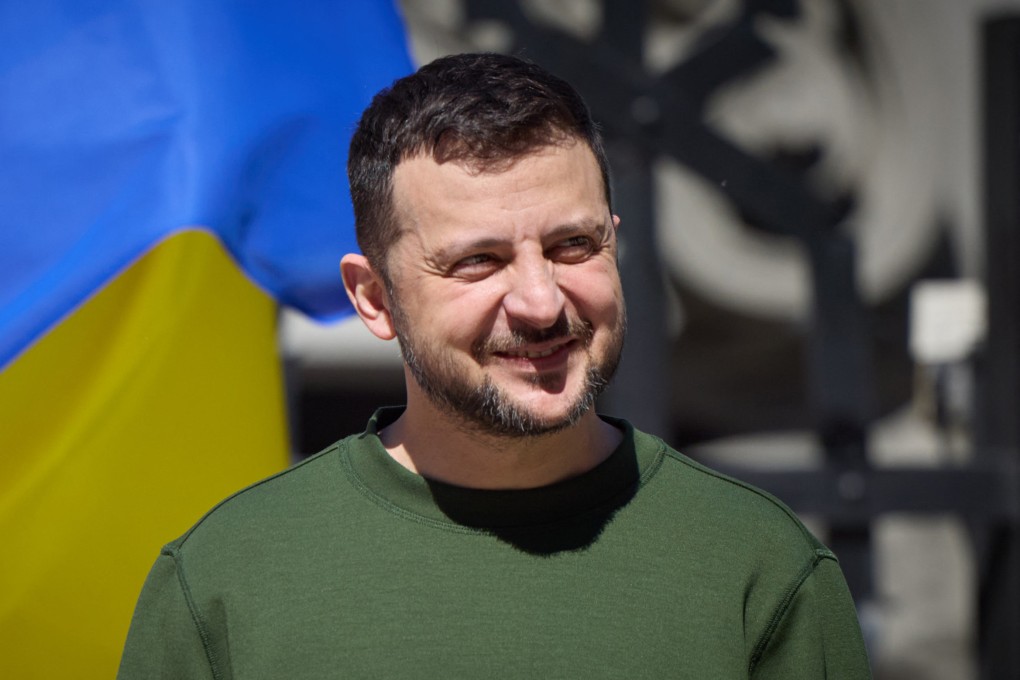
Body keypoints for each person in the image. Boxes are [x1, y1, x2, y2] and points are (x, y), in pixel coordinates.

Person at [117, 52, 871, 679]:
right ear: (373, 298)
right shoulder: (223, 583)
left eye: (574, 246)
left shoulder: (763, 571)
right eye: (478, 262)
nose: (542, 303)